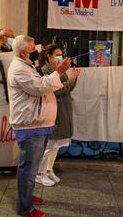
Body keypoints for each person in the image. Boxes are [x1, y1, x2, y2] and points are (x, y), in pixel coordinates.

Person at [7, 35, 71, 217]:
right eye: (33, 49)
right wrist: (58, 72)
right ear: (22, 52)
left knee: (32, 168)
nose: (38, 51)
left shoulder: (27, 65)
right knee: (28, 168)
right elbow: (40, 87)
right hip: (30, 126)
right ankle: (24, 208)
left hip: (38, 124)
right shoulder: (19, 69)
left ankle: (27, 196)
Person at [35, 44, 80, 186]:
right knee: (49, 143)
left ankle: (48, 169)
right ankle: (39, 173)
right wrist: (69, 80)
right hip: (54, 110)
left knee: (56, 144)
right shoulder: (45, 70)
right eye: (57, 54)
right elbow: (55, 90)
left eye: (61, 54)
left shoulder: (61, 69)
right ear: (49, 56)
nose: (60, 57)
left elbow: (69, 88)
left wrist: (74, 78)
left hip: (64, 109)